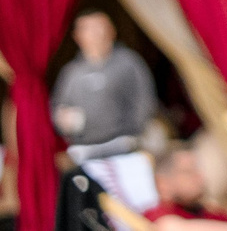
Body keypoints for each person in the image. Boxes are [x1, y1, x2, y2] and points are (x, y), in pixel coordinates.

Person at [51, 12, 157, 154]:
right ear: (77, 36)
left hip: (123, 145)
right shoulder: (71, 72)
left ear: (112, 31)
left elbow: (145, 99)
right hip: (84, 147)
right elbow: (58, 106)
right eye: (88, 28)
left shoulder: (128, 63)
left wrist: (134, 132)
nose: (96, 34)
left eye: (100, 27)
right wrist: (63, 119)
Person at [144, 150, 227, 224]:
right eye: (188, 172)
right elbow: (167, 227)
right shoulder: (156, 216)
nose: (199, 177)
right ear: (163, 183)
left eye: (197, 170)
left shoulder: (216, 214)